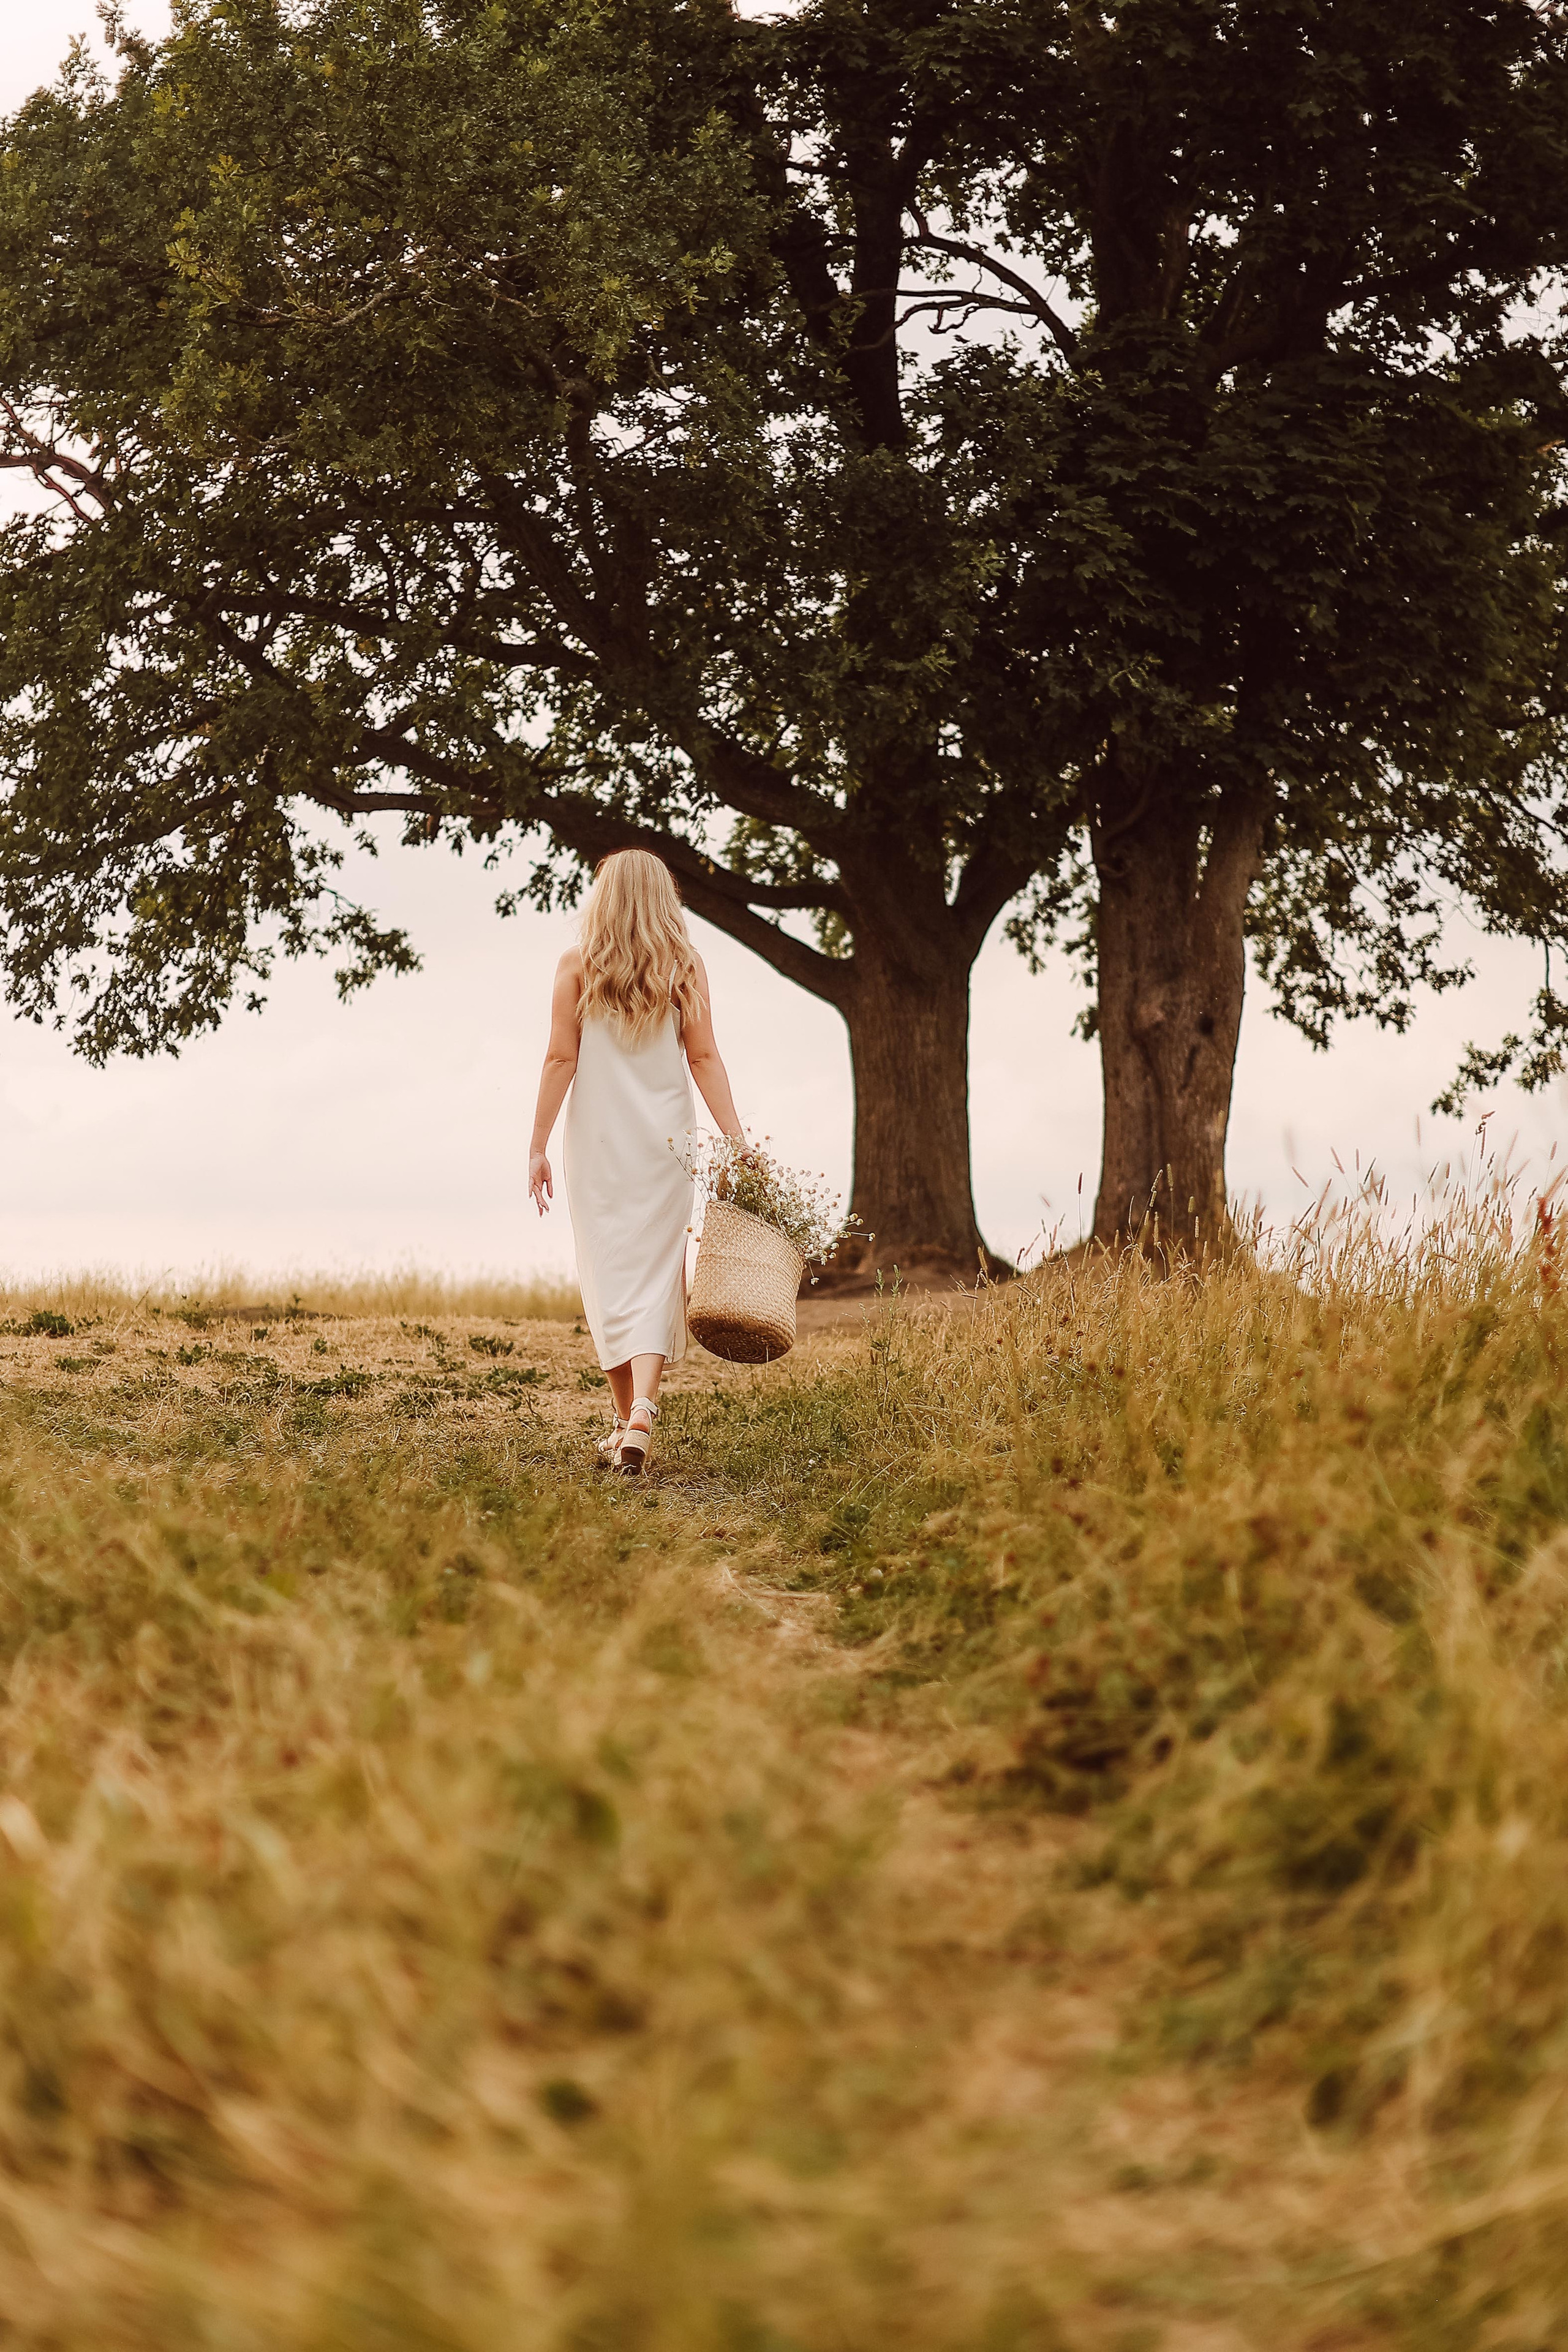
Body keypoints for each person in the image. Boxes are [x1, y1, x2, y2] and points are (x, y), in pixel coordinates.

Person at [528, 849, 744, 1474]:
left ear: (604, 897)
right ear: (661, 898)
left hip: (597, 1147)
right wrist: (736, 1137)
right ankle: (638, 1415)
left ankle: (630, 1420)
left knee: (609, 1278)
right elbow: (704, 1059)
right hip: (667, 1147)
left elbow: (558, 1060)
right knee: (656, 1279)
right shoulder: (686, 968)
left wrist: (537, 1144)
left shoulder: (576, 966)